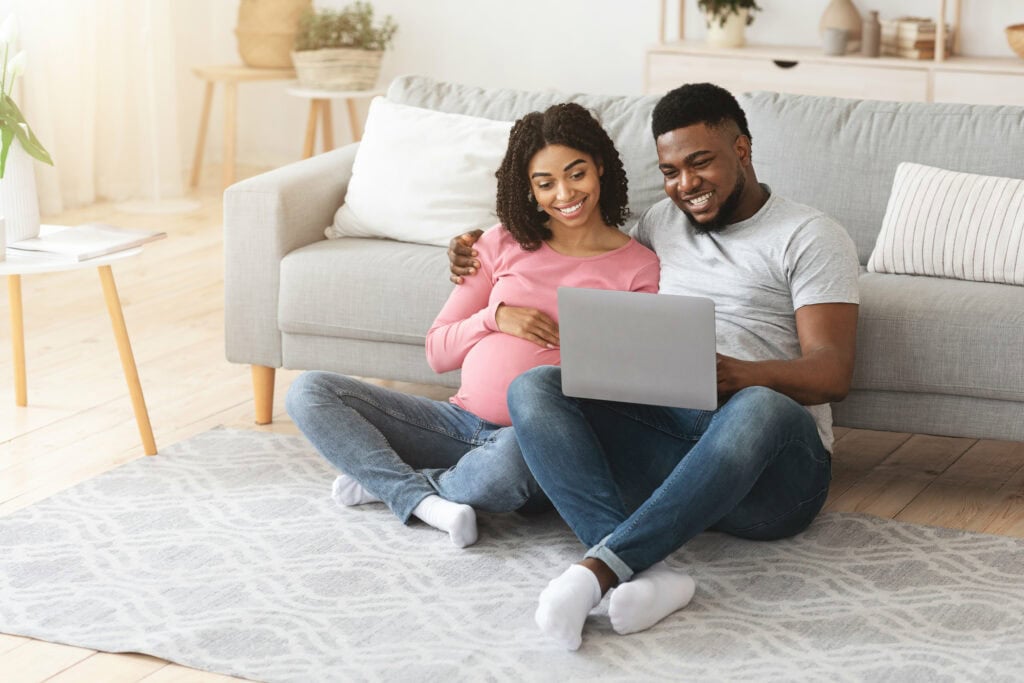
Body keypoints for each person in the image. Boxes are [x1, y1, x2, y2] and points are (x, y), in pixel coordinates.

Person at [447, 82, 860, 648]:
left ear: (741, 149)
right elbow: (581, 250)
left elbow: (832, 372)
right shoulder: (660, 225)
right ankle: (644, 573)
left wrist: (741, 375)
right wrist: (478, 246)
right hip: (676, 442)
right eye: (670, 171)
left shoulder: (809, 235)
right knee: (538, 387)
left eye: (700, 163)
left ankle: (597, 571)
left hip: (773, 478)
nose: (685, 185)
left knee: (761, 405)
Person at [287, 102, 660, 549]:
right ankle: (421, 496)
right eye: (545, 183)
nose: (564, 194)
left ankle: (392, 483)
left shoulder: (638, 268)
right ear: (529, 189)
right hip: (454, 422)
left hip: (530, 444)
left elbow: (634, 385)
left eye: (576, 174)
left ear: (600, 166)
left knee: (515, 462)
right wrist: (496, 317)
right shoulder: (500, 242)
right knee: (310, 391)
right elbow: (437, 352)